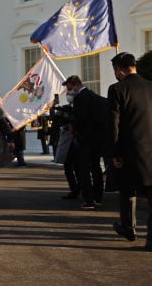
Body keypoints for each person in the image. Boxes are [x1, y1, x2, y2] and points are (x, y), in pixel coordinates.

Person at [108, 52, 152, 252]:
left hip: (131, 149)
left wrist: (115, 153)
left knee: (128, 189)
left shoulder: (117, 89)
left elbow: (114, 125)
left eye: (115, 71)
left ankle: (129, 228)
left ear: (119, 70)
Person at [63, 75, 106, 210]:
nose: (68, 91)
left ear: (74, 84)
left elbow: (81, 118)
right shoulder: (93, 95)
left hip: (85, 139)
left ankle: (88, 199)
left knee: (84, 169)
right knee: (96, 167)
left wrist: (73, 126)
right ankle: (98, 197)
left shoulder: (80, 98)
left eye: (68, 87)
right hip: (97, 138)